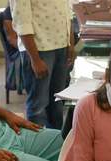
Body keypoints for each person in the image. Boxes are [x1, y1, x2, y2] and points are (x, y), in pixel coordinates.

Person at [9, 0, 75, 129]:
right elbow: (22, 21)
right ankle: (39, 145)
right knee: (38, 105)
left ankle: (56, 142)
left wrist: (70, 43)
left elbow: (67, 12)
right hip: (38, 50)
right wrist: (35, 59)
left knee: (57, 102)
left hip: (61, 45)